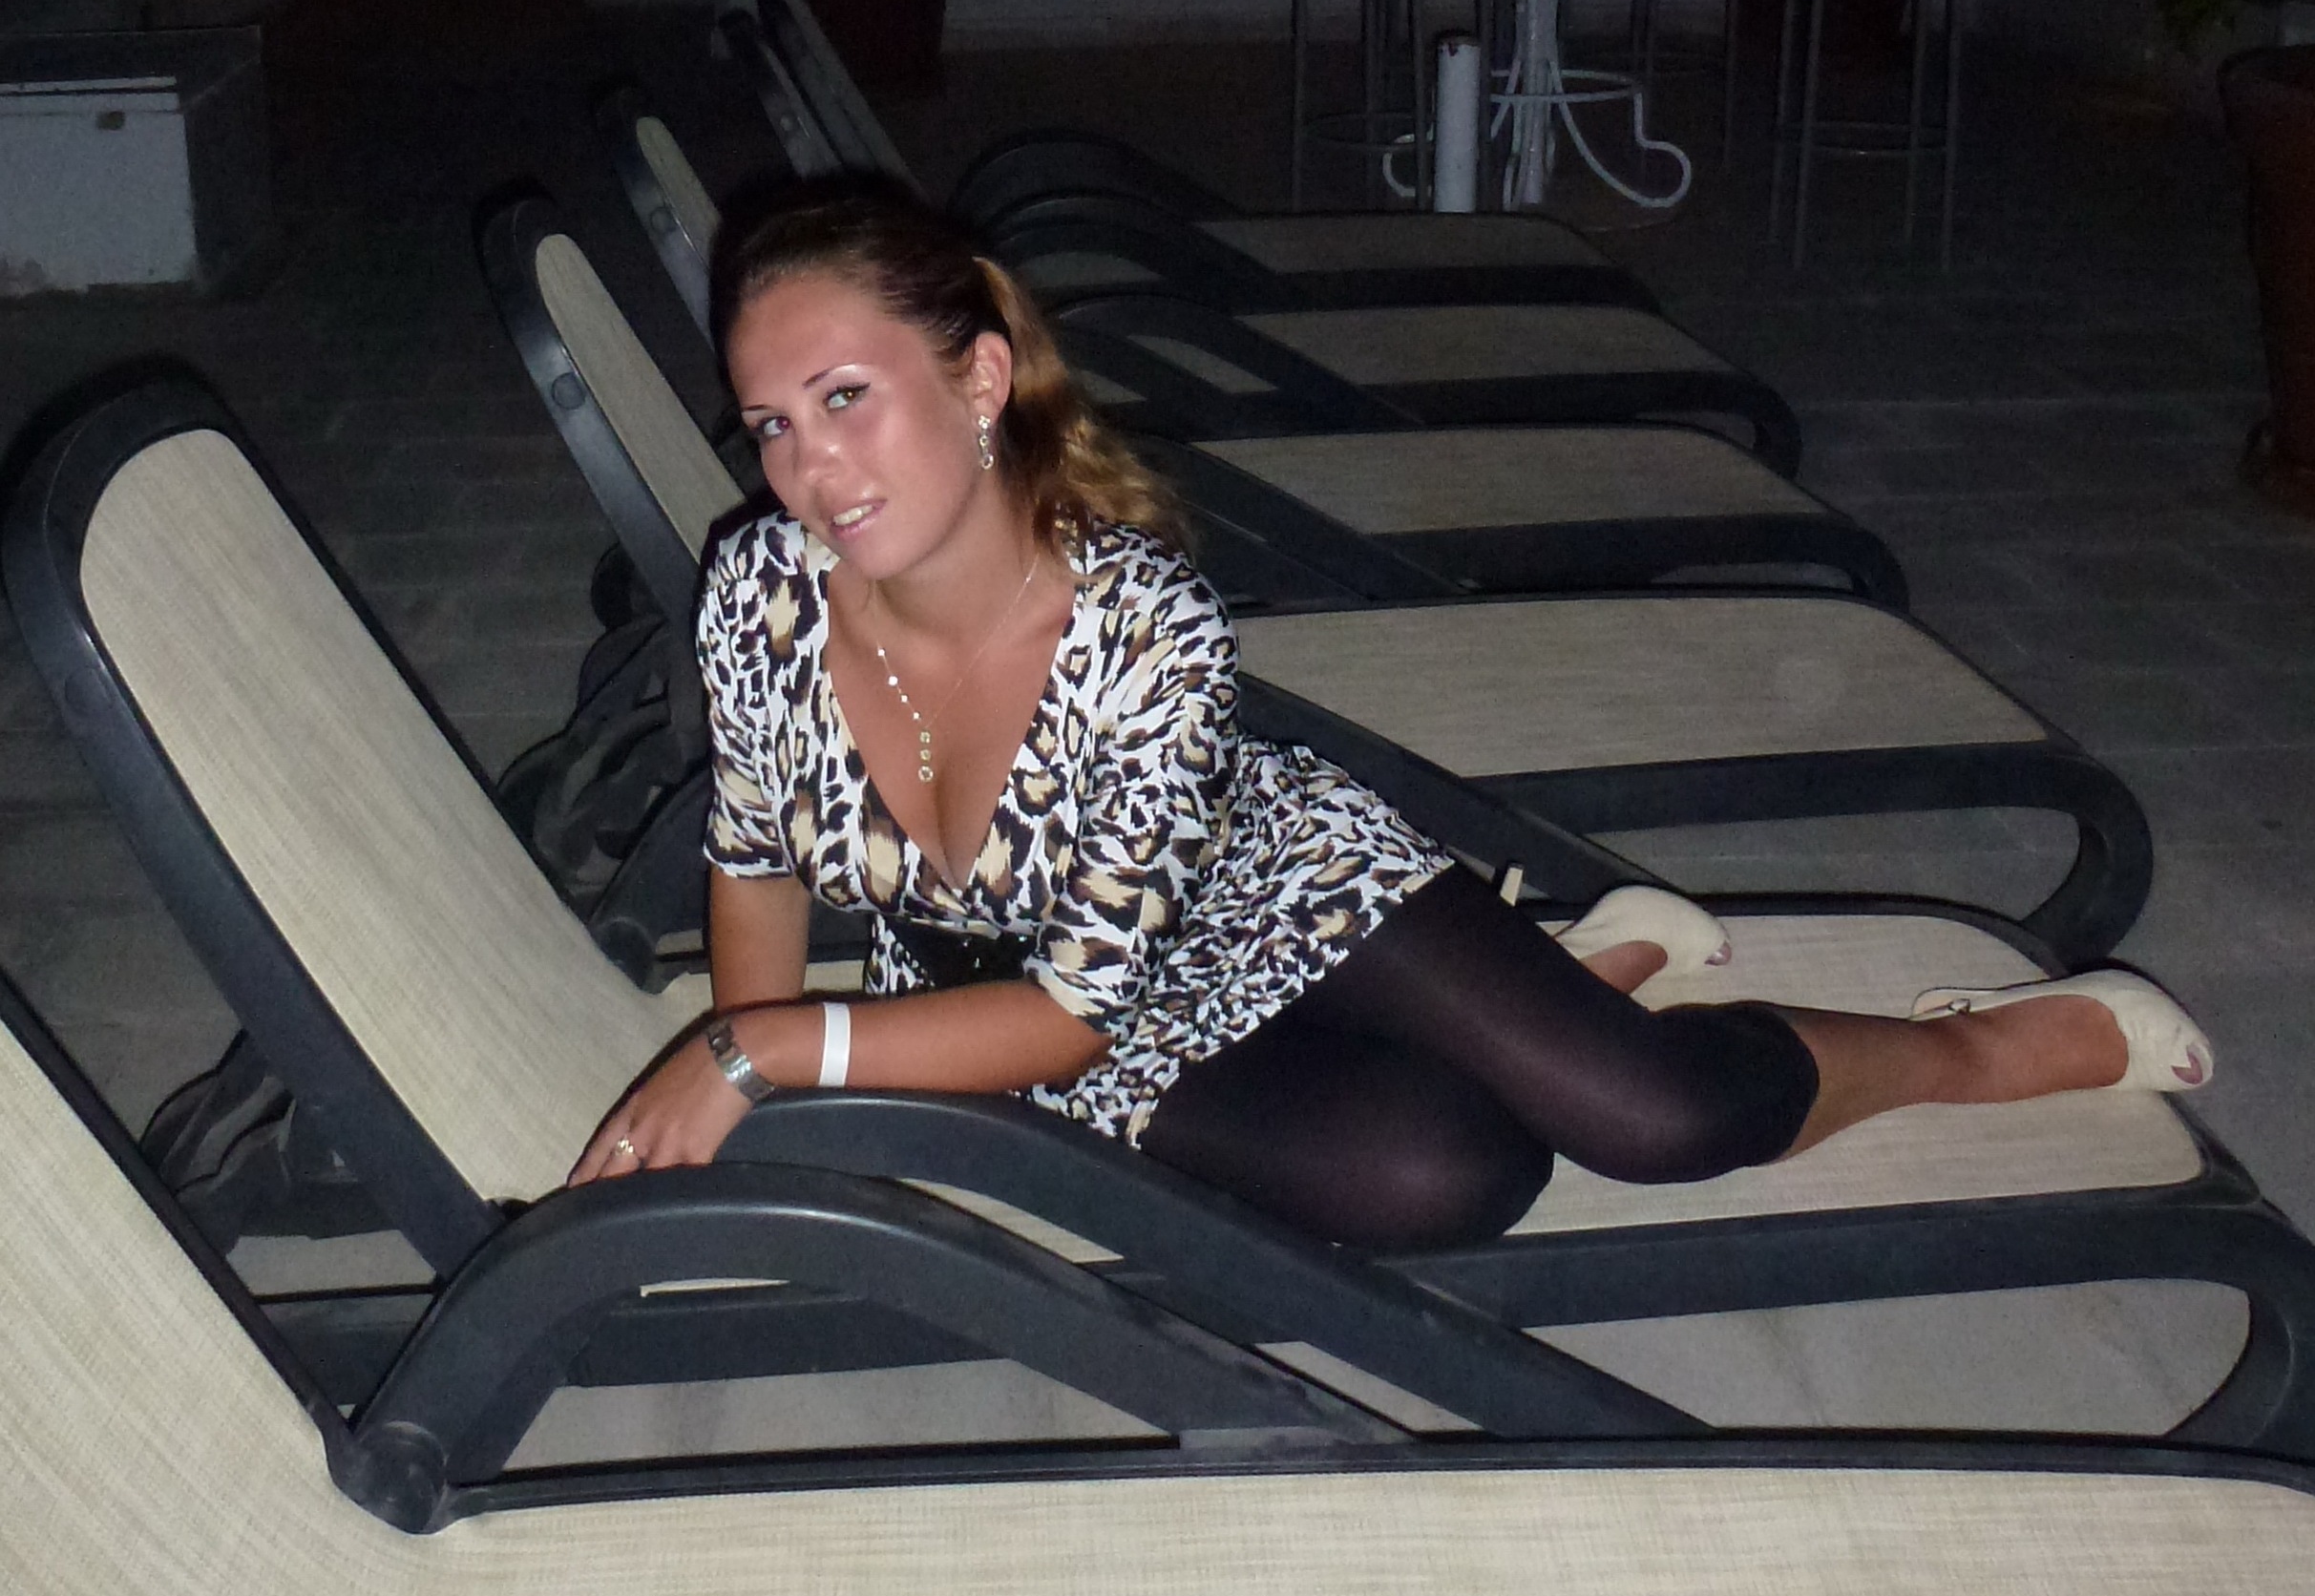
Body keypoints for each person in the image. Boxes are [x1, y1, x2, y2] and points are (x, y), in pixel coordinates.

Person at [570, 182, 2211, 1250]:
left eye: (845, 399)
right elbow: (756, 861)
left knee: (1653, 1117)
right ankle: (1565, 976)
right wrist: (777, 1083)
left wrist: (754, 1049)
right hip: (992, 1012)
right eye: (770, 424)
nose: (809, 469)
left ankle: (1970, 1047)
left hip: (1263, 897)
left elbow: (1076, 1009)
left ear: (979, 380)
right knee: (1452, 1174)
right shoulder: (760, 587)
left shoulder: (1137, 625)